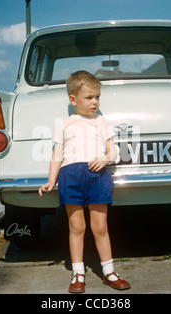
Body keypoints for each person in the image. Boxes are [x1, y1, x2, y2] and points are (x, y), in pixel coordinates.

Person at [38, 70, 131, 293]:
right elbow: (57, 155)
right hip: (70, 177)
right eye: (89, 97)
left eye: (97, 97)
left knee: (100, 227)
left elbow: (114, 152)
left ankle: (109, 271)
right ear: (73, 99)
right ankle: (78, 273)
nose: (94, 102)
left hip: (96, 176)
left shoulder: (101, 122)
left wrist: (105, 159)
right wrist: (51, 180)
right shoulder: (64, 124)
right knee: (76, 226)